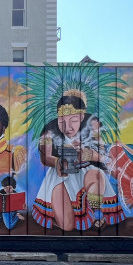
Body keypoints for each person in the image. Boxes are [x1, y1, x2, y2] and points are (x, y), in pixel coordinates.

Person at [32, 93, 123, 231]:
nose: (67, 127)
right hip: (61, 177)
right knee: (67, 226)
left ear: (81, 117)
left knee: (97, 176)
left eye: (73, 120)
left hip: (86, 173)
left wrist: (88, 154)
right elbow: (45, 158)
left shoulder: (91, 126)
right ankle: (65, 215)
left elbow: (104, 157)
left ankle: (96, 212)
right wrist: (59, 161)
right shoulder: (49, 131)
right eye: (62, 121)